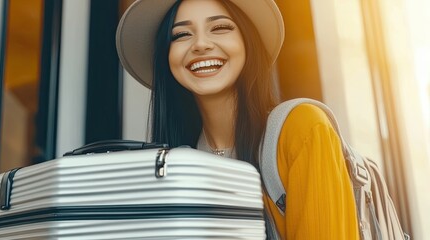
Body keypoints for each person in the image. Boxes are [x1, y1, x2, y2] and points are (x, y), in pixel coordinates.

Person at [116, 0, 359, 239]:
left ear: (247, 40)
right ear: (166, 56)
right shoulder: (178, 164)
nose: (200, 44)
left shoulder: (303, 127)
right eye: (181, 35)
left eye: (220, 27)